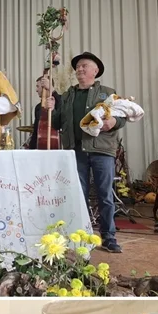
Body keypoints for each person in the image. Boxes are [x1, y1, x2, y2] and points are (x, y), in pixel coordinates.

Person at [48, 52, 125, 253]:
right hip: (76, 151)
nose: (80, 69)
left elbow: (123, 116)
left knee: (105, 195)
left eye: (84, 66)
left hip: (102, 151)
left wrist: (114, 122)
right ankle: (80, 236)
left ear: (95, 70)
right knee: (77, 195)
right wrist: (51, 108)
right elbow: (56, 124)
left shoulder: (108, 93)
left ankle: (108, 237)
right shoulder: (67, 96)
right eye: (78, 67)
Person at [27, 74, 62, 149]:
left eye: (38, 86)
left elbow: (63, 105)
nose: (36, 90)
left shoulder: (59, 101)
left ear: (45, 88)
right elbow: (36, 131)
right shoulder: (38, 107)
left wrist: (52, 89)